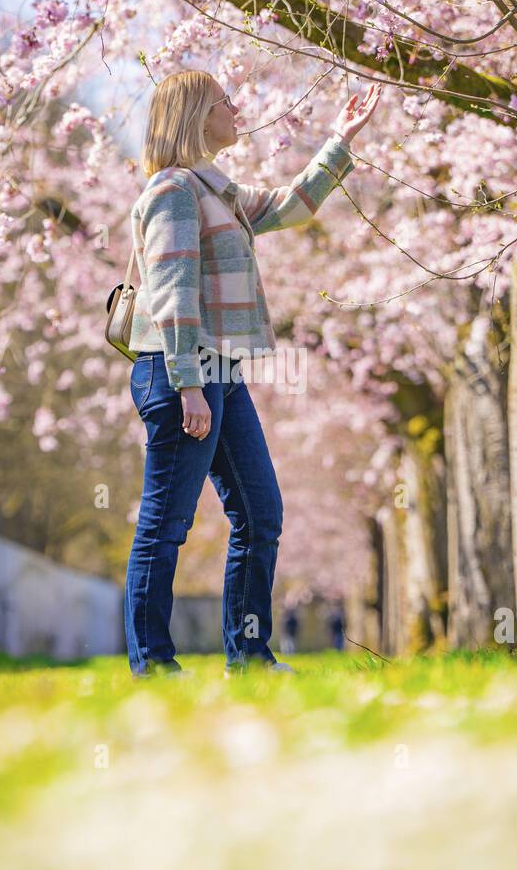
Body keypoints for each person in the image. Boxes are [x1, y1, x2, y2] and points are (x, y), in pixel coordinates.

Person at [123, 70, 382, 677]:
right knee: (166, 522)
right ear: (194, 117)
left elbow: (292, 205)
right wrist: (190, 384)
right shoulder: (172, 192)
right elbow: (173, 291)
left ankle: (250, 657)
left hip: (218, 373)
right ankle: (153, 664)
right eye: (224, 103)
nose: (237, 109)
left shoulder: (220, 195)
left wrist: (340, 140)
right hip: (179, 372)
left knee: (260, 512)